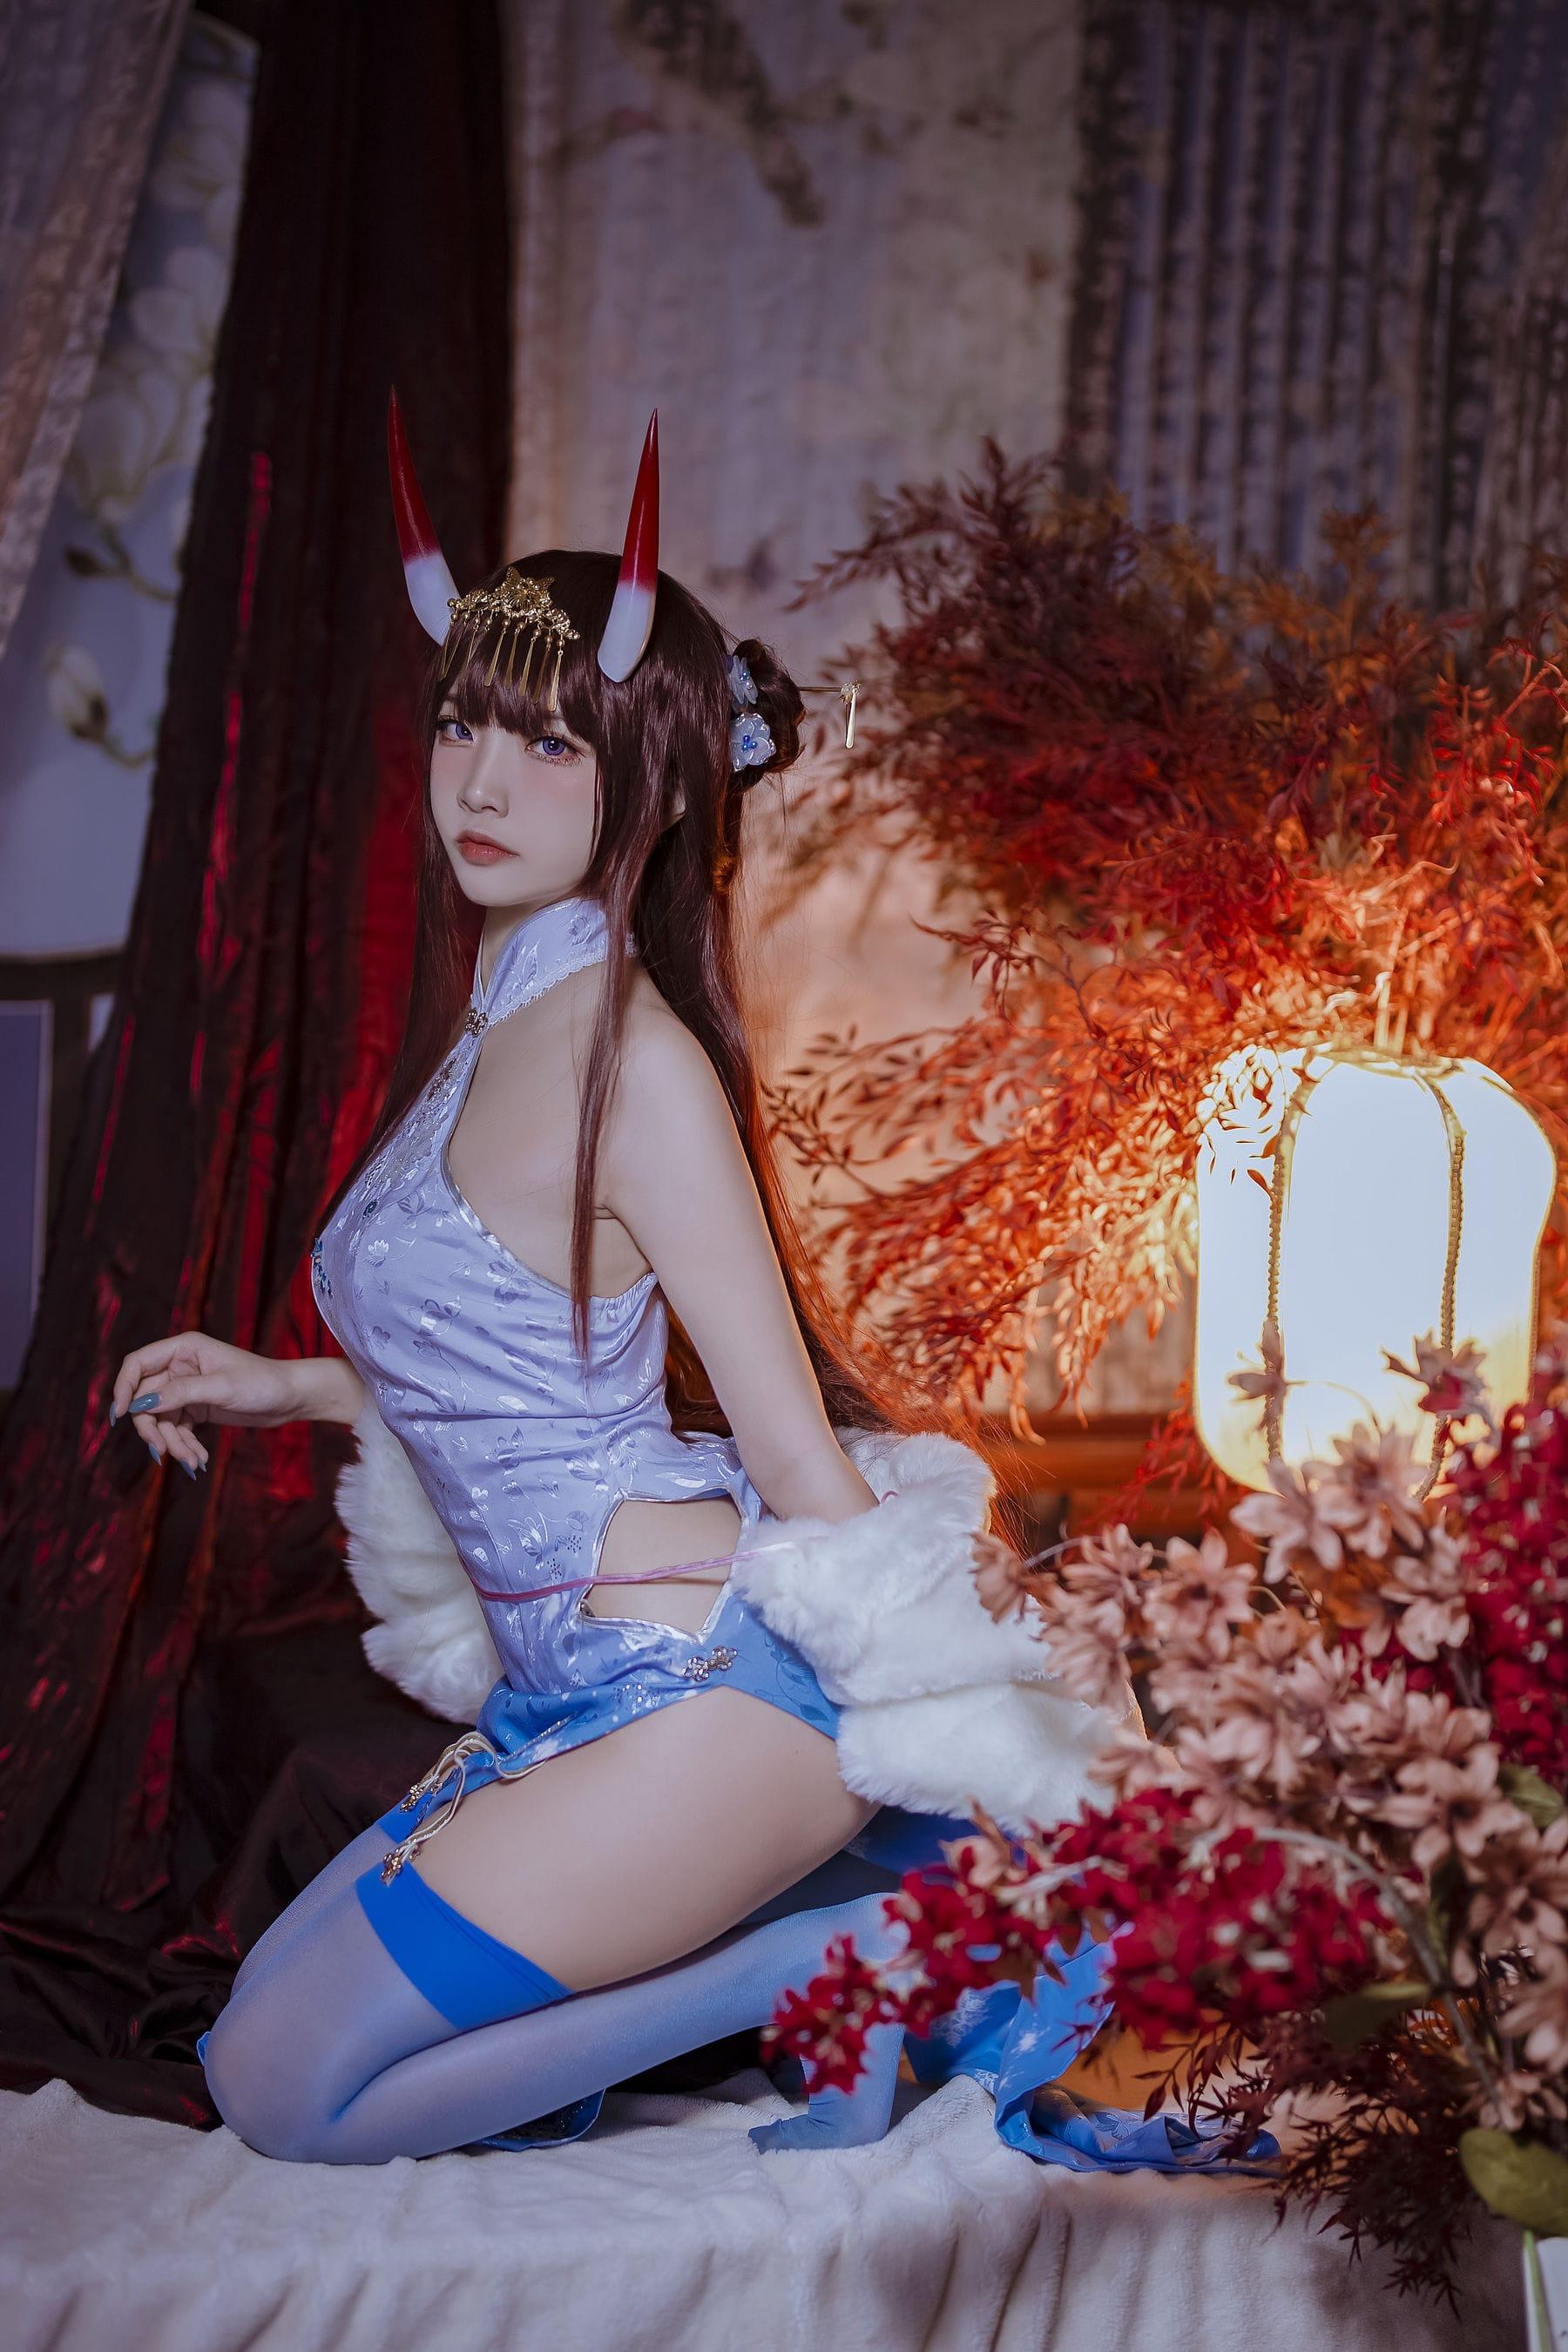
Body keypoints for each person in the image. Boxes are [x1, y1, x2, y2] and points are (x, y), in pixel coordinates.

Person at [101, 403, 1161, 2170]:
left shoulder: (638, 1067)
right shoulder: (498, 1019)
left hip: (713, 1690)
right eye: (463, 723)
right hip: (567, 1689)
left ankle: (837, 1959)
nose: (481, 783)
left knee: (291, 2093)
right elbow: (511, 1351)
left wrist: (990, 1730)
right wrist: (286, 1386)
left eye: (547, 741)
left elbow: (795, 1456)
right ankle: (814, 1955)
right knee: (243, 2040)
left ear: (654, 781)